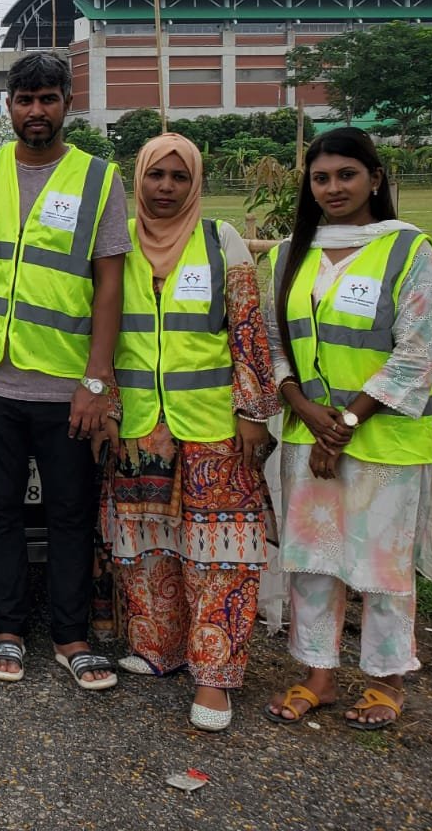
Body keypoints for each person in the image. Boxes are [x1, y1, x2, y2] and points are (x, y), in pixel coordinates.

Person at [262, 128, 432, 731]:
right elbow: (273, 345)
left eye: (346, 175)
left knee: (383, 566)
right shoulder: (291, 252)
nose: (333, 188)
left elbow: (416, 353)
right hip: (306, 435)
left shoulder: (406, 250)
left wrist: (343, 422)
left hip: (384, 438)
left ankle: (386, 682)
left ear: (375, 179)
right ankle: (319, 675)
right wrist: (304, 410)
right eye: (321, 178)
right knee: (313, 561)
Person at [0, 51, 127, 690]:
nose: (36, 111)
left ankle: (71, 636)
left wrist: (94, 382)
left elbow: (108, 287)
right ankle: (6, 629)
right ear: (8, 104)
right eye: (24, 99)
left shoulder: (97, 178)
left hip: (65, 390)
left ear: (66, 103)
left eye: (48, 98)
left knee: (68, 514)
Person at [104, 133, 280, 732]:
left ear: (195, 183)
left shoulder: (219, 240)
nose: (166, 188)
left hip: (212, 426)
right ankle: (160, 649)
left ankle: (215, 678)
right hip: (137, 426)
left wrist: (253, 412)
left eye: (179, 177)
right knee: (146, 545)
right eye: (156, 176)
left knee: (221, 554)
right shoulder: (116, 240)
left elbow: (250, 332)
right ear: (139, 178)